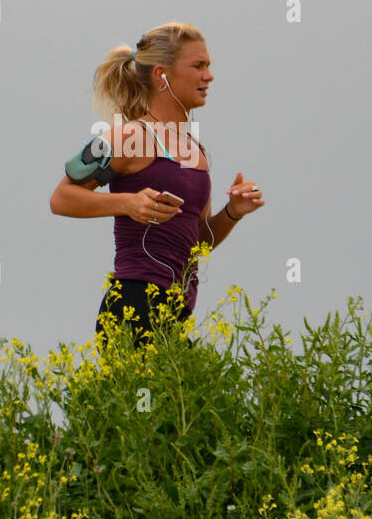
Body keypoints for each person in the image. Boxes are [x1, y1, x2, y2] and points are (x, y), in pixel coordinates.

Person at [49, 22, 265, 350]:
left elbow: (198, 240)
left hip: (176, 313)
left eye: (209, 66)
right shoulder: (129, 136)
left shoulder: (196, 151)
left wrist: (233, 213)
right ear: (162, 75)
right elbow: (61, 198)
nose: (209, 76)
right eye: (198, 66)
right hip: (132, 306)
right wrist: (127, 204)